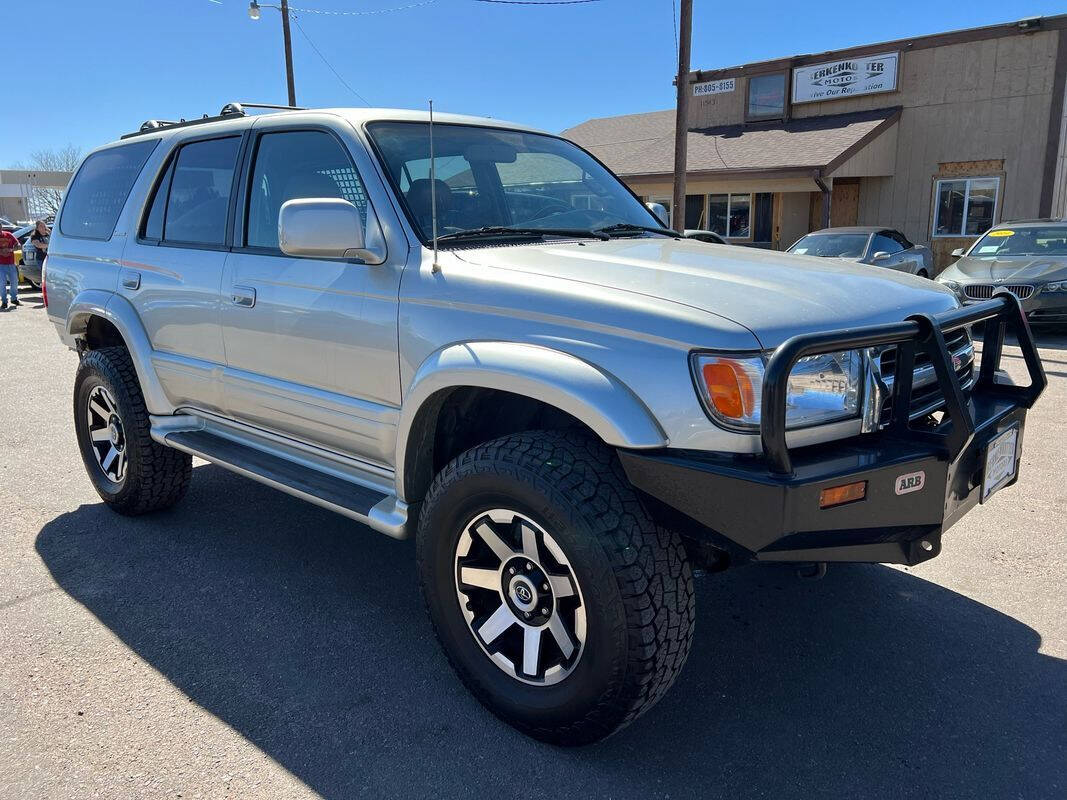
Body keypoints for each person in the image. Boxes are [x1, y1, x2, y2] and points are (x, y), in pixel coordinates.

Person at [0, 226, 19, 310]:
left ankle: (14, 298)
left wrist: (12, 249)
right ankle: (4, 301)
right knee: (2, 283)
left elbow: (18, 244)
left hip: (11, 263)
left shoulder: (8, 235)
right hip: (0, 264)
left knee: (14, 282)